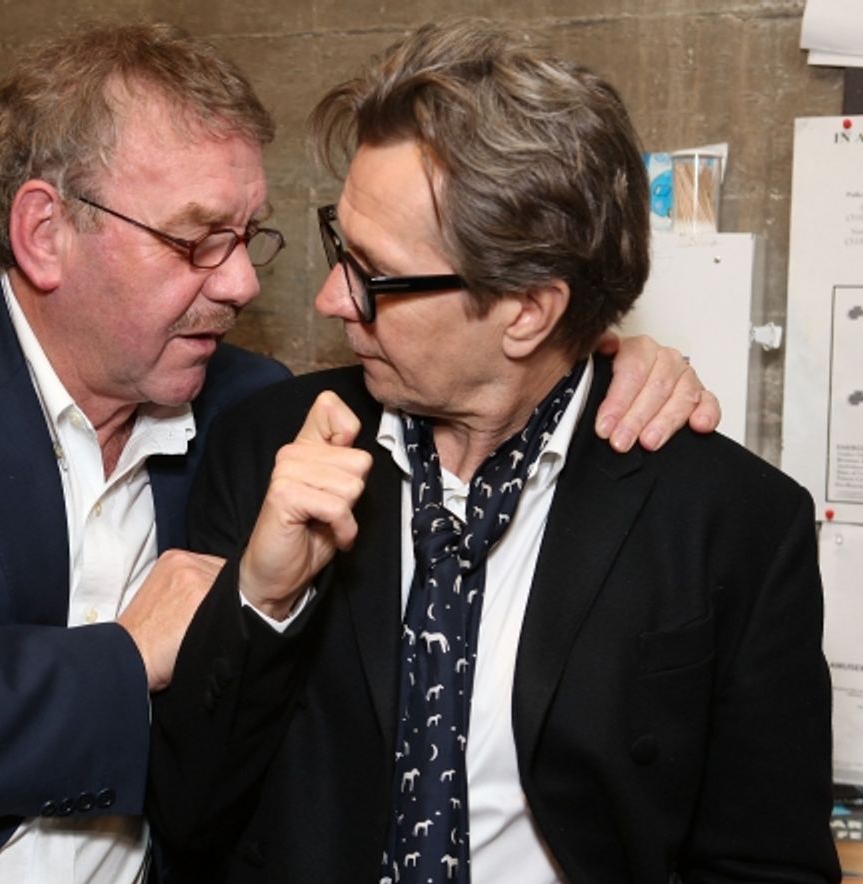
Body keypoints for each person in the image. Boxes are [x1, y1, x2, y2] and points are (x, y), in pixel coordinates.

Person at [0, 21, 712, 884]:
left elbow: (478, 361)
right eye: (195, 240)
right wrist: (125, 657)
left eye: (250, 237)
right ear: (46, 233)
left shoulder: (254, 410)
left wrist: (607, 358)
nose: (236, 285)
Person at [148, 22, 839, 884]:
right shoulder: (268, 448)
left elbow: (767, 866)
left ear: (528, 311)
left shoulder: (733, 522)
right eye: (338, 246)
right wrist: (260, 601)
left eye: (375, 273)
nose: (332, 298)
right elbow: (185, 815)